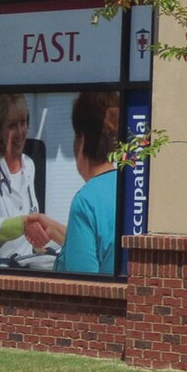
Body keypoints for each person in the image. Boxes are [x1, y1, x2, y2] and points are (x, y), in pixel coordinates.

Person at [0, 92, 61, 265]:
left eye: (23, 122)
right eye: (12, 125)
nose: (20, 132)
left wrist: (39, 243)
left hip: (27, 261)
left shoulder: (29, 165)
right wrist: (23, 225)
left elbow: (32, 213)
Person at [56, 89, 122, 276]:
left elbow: (81, 286)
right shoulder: (130, 189)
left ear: (82, 141)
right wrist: (54, 229)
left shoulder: (85, 202)